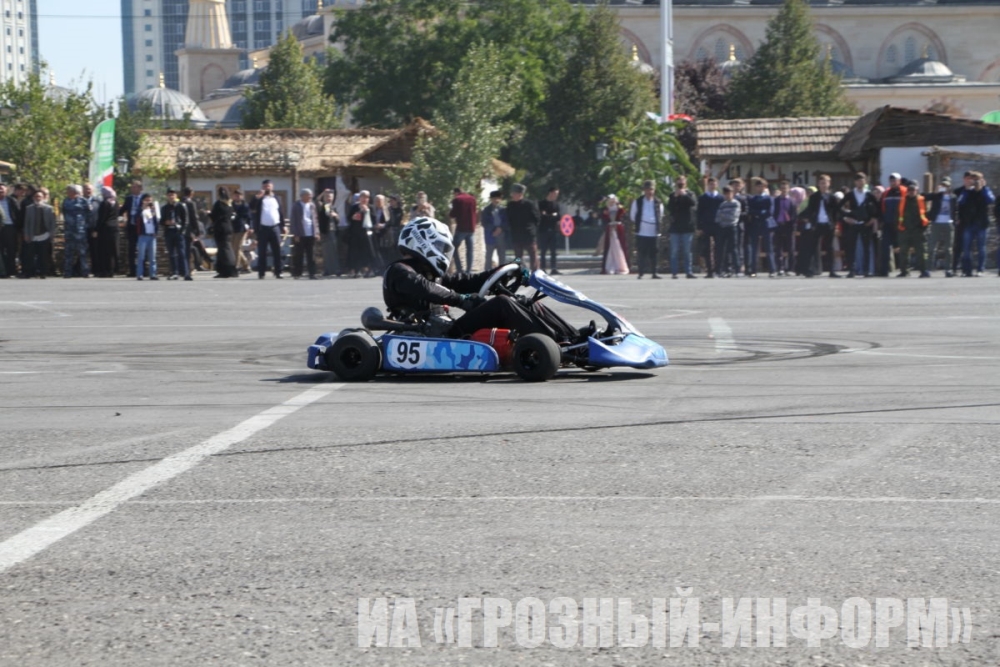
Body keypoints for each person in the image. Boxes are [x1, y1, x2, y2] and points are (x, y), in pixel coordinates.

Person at [383, 217, 579, 342]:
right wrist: (461, 300)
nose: (443, 253)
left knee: (524, 302)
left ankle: (574, 337)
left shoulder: (431, 275)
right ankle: (557, 342)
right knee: (502, 304)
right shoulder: (399, 271)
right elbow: (426, 288)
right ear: (422, 243)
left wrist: (506, 270)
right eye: (440, 247)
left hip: (445, 331)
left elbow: (470, 280)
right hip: (433, 336)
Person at [839, 172, 880, 278]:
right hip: (854, 224)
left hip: (865, 224)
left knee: (866, 247)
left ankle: (866, 270)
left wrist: (873, 218)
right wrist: (845, 217)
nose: (860, 183)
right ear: (855, 182)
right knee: (851, 247)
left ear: (865, 181)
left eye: (862, 180)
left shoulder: (869, 195)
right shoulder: (850, 194)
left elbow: (877, 208)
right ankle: (852, 270)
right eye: (858, 181)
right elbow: (839, 207)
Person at [955, 170, 994, 276]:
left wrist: (983, 187)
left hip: (982, 224)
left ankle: (980, 269)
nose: (975, 182)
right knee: (966, 248)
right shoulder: (967, 191)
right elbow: (960, 201)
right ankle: (967, 270)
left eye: (977, 180)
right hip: (969, 223)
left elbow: (991, 200)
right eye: (973, 180)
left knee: (981, 247)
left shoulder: (986, 190)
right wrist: (967, 189)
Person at [800, 174, 840, 278]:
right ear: (818, 184)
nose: (823, 185)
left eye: (825, 183)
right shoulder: (814, 197)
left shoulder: (832, 197)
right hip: (817, 225)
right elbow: (810, 210)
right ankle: (809, 270)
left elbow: (836, 212)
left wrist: (835, 224)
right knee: (812, 247)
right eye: (821, 183)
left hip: (828, 224)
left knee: (830, 248)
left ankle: (832, 271)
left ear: (829, 184)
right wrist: (809, 220)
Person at [250, 179, 284, 279]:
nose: (266, 188)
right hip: (263, 228)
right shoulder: (259, 199)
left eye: (268, 186)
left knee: (277, 251)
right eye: (264, 186)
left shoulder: (277, 198)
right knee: (262, 252)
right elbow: (251, 207)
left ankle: (278, 271)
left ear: (272, 187)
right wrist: (257, 197)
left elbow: (280, 212)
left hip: (275, 227)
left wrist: (283, 226)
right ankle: (261, 273)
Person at [629, 179, 663, 279]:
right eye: (647, 189)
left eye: (651, 189)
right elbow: (633, 216)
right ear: (644, 190)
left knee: (654, 253)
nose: (649, 192)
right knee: (641, 253)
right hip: (642, 231)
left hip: (654, 232)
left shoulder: (658, 202)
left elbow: (660, 215)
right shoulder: (638, 202)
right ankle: (641, 273)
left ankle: (654, 272)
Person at [896, 180, 930, 277]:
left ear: (917, 190)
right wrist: (899, 228)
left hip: (918, 230)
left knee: (921, 252)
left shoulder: (922, 200)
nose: (911, 192)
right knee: (903, 252)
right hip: (905, 230)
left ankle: (924, 271)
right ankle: (904, 271)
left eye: (913, 190)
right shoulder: (902, 201)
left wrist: (924, 228)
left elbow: (927, 214)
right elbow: (898, 215)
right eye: (909, 190)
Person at [925, 176, 957, 277]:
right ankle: (928, 269)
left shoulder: (953, 197)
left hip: (948, 223)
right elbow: (925, 197)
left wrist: (956, 220)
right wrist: (935, 192)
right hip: (936, 222)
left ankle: (948, 269)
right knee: (932, 247)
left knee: (948, 248)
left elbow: (956, 209)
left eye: (946, 185)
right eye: (943, 185)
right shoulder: (936, 196)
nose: (945, 187)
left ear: (950, 186)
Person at [21, 188, 55, 278]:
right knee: (30, 255)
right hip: (32, 235)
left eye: (40, 196)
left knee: (43, 255)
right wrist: (26, 234)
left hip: (44, 234)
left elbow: (52, 222)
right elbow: (27, 223)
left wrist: (51, 234)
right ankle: (30, 272)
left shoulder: (49, 208)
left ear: (43, 198)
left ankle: (43, 272)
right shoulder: (29, 208)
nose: (38, 198)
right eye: (36, 196)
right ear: (33, 198)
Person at [506, 183, 540, 271]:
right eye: (512, 193)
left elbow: (537, 218)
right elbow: (508, 219)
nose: (513, 195)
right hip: (516, 234)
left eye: (514, 193)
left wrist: (532, 230)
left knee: (533, 254)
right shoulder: (510, 205)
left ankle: (535, 272)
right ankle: (519, 271)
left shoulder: (529, 204)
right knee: (518, 257)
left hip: (528, 234)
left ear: (520, 194)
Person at [62, 185, 92, 278]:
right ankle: (67, 272)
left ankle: (85, 272)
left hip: (80, 231)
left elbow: (89, 214)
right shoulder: (65, 201)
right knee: (68, 252)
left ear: (74, 192)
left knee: (83, 252)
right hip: (69, 231)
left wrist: (85, 225)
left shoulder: (83, 201)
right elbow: (64, 213)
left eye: (69, 191)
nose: (67, 193)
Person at [160, 188, 191, 281]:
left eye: (173, 195)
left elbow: (186, 220)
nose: (171, 197)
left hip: (178, 232)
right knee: (172, 253)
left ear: (176, 196)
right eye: (169, 195)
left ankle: (186, 273)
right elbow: (161, 221)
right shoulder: (164, 208)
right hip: (169, 232)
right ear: (167, 196)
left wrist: (182, 231)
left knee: (182, 253)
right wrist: (166, 222)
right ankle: (174, 272)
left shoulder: (181, 206)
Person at [290, 187, 319, 280]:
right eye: (308, 195)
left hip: (311, 233)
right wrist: (295, 234)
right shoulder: (296, 205)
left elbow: (315, 219)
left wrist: (316, 232)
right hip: (300, 233)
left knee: (311, 255)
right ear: (303, 196)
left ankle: (312, 273)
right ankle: (297, 273)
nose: (310, 197)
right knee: (299, 254)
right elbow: (293, 220)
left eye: (311, 195)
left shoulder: (312, 205)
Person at [697, 177, 722, 278]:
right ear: (708, 185)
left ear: (717, 185)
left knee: (718, 248)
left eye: (714, 184)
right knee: (707, 248)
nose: (712, 186)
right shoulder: (703, 198)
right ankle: (709, 271)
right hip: (706, 225)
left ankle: (718, 270)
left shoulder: (720, 198)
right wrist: (699, 227)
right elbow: (699, 213)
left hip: (718, 225)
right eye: (710, 184)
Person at [182, 187, 212, 272]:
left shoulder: (180, 202)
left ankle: (199, 263)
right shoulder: (190, 203)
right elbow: (194, 218)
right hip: (189, 229)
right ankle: (196, 264)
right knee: (191, 247)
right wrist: (197, 231)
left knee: (194, 246)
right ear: (191, 193)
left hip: (181, 230)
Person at [771, 180, 798, 276]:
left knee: (791, 248)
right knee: (778, 248)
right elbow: (773, 213)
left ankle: (791, 269)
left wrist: (794, 227)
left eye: (785, 188)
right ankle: (780, 268)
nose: (784, 190)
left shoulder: (792, 201)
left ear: (788, 189)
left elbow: (794, 215)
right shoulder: (775, 200)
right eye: (782, 188)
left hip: (788, 226)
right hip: (778, 225)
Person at [210, 186, 238, 278]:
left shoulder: (219, 204)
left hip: (220, 228)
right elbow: (233, 215)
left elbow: (214, 216)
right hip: (229, 227)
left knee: (223, 249)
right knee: (227, 248)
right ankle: (229, 269)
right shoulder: (230, 204)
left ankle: (227, 270)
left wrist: (208, 214)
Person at [449, 187, 479, 273]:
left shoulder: (457, 200)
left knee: (453, 248)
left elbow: (453, 214)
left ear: (456, 193)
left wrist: (450, 212)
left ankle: (459, 269)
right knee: (470, 250)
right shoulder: (473, 199)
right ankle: (468, 270)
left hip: (461, 228)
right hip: (471, 228)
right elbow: (474, 212)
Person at [346, 190, 375, 277]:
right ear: (360, 198)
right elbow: (349, 218)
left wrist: (367, 212)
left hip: (366, 233)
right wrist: (353, 217)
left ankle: (366, 269)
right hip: (355, 232)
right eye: (363, 197)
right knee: (354, 251)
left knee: (366, 251)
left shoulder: (371, 207)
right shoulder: (355, 207)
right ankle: (354, 270)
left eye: (367, 197)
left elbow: (374, 220)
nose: (365, 199)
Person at [93, 186, 120, 278]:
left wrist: (96, 229)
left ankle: (105, 270)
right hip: (115, 228)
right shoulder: (115, 202)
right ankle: (112, 270)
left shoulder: (104, 203)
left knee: (104, 250)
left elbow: (102, 218)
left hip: (105, 228)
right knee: (112, 250)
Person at [714, 186, 741, 277]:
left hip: (732, 227)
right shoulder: (722, 204)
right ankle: (720, 270)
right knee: (721, 249)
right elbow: (717, 218)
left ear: (732, 194)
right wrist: (724, 216)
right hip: (722, 228)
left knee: (733, 249)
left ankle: (737, 270)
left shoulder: (736, 203)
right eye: (726, 194)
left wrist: (723, 215)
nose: (728, 195)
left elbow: (733, 216)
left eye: (729, 193)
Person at [119, 180, 144, 277]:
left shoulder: (144, 198)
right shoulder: (129, 199)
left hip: (141, 228)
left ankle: (143, 270)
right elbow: (122, 210)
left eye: (134, 187)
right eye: (132, 187)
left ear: (140, 188)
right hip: (131, 227)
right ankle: (132, 271)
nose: (132, 189)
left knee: (142, 249)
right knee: (131, 249)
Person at [480, 190, 509, 271]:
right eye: (494, 198)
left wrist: (500, 228)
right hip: (490, 235)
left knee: (502, 256)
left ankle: (502, 272)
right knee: (489, 256)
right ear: (491, 199)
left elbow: (507, 221)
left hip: (501, 235)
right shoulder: (486, 210)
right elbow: (484, 222)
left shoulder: (504, 210)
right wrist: (493, 230)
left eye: (498, 198)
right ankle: (487, 273)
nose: (496, 200)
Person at [600, 194, 629, 275]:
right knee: (610, 247)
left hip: (618, 228)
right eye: (610, 200)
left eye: (613, 200)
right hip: (610, 229)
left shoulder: (620, 208)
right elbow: (604, 218)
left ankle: (620, 265)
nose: (612, 201)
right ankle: (610, 266)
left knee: (619, 247)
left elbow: (623, 217)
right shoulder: (606, 209)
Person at [134, 193, 159, 280]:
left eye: (150, 200)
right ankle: (139, 274)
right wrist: (142, 209)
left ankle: (153, 274)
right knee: (141, 256)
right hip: (143, 235)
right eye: (147, 200)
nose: (148, 202)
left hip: (152, 235)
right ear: (143, 201)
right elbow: (135, 219)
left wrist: (156, 231)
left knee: (152, 257)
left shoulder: (153, 210)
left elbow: (157, 221)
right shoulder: (139, 210)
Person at [537, 187, 562, 275]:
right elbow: (542, 216)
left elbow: (558, 217)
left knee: (553, 251)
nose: (556, 196)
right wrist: (551, 215)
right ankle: (543, 267)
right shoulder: (541, 203)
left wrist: (549, 215)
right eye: (555, 194)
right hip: (543, 230)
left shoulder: (556, 204)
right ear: (550, 193)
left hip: (553, 230)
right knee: (543, 250)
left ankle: (554, 268)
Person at [0, 183, 22, 278]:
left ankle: (11, 271)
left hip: (10, 227)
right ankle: (2, 271)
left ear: (6, 191)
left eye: (2, 190)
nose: (1, 191)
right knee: (1, 250)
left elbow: (18, 214)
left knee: (11, 250)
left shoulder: (11, 200)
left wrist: (18, 228)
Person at [317, 189, 340, 277]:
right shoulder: (322, 206)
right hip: (325, 231)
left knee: (334, 251)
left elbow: (338, 221)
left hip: (333, 231)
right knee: (326, 252)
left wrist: (335, 216)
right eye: (327, 196)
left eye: (330, 197)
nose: (328, 198)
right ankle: (327, 270)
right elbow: (316, 200)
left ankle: (335, 269)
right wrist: (323, 193)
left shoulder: (334, 208)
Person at [231, 188, 252, 274]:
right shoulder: (231, 205)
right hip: (232, 228)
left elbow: (249, 217)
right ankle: (246, 266)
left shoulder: (245, 206)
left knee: (237, 247)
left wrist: (249, 227)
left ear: (242, 196)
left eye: (239, 195)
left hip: (241, 229)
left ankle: (236, 267)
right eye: (236, 195)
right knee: (233, 248)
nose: (237, 197)